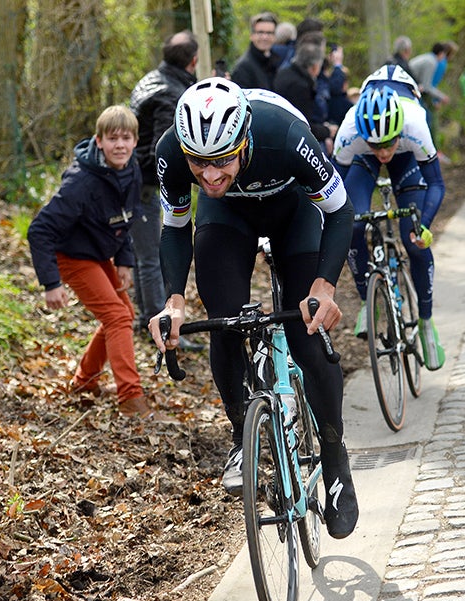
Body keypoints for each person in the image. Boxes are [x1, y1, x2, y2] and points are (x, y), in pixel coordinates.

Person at [148, 78, 359, 539]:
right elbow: (174, 228)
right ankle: (241, 435)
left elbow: (342, 213)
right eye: (198, 163)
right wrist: (174, 301)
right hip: (227, 221)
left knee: (307, 336)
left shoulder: (284, 135)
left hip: (294, 213)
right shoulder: (168, 152)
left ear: (244, 139)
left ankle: (334, 454)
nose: (209, 176)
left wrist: (324, 287)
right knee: (225, 322)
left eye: (222, 160)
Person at [27, 106, 157, 419]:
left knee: (123, 313)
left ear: (135, 141)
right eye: (113, 139)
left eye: (126, 138)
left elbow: (126, 217)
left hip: (99, 252)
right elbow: (39, 230)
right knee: (117, 316)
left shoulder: (131, 168)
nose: (120, 145)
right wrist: (51, 282)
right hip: (70, 256)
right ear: (99, 141)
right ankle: (131, 399)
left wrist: (124, 260)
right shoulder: (81, 183)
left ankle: (84, 381)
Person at [332, 65, 446, 371]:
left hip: (408, 157)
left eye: (387, 144)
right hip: (360, 160)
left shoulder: (415, 126)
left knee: (415, 242)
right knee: (353, 224)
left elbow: (436, 183)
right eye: (375, 145)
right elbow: (330, 190)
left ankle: (425, 321)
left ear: (398, 132)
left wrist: (424, 225)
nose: (383, 153)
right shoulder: (350, 132)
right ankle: (368, 303)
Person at [129, 30, 204, 351]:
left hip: (132, 179)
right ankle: (156, 323)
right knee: (148, 258)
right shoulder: (170, 93)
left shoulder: (154, 79)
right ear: (193, 60)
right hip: (143, 183)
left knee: (141, 255)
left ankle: (144, 316)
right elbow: (160, 149)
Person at [274, 38, 336, 153]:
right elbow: (303, 126)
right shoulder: (301, 86)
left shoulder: (284, 72)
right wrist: (327, 131)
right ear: (315, 67)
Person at [231, 11, 281, 90]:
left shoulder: (277, 62)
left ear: (275, 37)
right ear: (252, 36)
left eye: (269, 33)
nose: (265, 37)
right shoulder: (243, 67)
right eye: (260, 32)